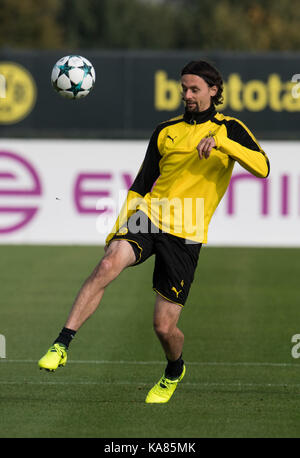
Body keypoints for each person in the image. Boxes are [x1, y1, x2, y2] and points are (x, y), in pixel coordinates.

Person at [38, 60, 270, 403]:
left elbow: (263, 167)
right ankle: (62, 342)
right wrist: (117, 232)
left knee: (164, 327)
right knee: (108, 263)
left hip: (187, 230)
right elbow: (141, 185)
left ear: (214, 91)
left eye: (194, 89)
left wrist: (223, 145)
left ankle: (174, 369)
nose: (187, 95)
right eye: (184, 89)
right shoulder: (166, 130)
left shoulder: (230, 128)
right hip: (151, 216)